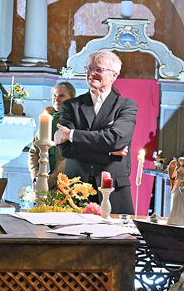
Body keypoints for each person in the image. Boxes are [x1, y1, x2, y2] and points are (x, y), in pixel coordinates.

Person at [55, 50, 137, 214]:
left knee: (119, 238)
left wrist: (72, 135)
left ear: (114, 75)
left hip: (113, 188)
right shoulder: (71, 106)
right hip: (74, 187)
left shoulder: (126, 105)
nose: (92, 73)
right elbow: (65, 150)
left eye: (98, 69)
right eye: (89, 68)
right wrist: (109, 154)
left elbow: (116, 139)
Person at [28, 81, 76, 190]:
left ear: (72, 99)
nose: (57, 99)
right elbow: (34, 151)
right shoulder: (47, 119)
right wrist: (36, 175)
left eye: (61, 96)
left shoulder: (75, 120)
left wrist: (52, 179)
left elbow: (69, 156)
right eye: (54, 95)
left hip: (64, 182)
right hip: (42, 180)